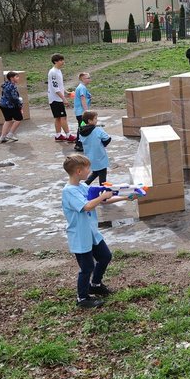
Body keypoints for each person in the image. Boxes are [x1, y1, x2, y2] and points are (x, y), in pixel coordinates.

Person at [61, 153, 127, 309]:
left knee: (105, 256)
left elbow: (103, 201)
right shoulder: (69, 191)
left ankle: (95, 285)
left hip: (91, 233)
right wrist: (102, 195)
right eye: (87, 168)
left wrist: (126, 197)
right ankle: (82, 298)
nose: (89, 171)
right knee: (87, 267)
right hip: (80, 236)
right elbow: (87, 206)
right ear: (78, 171)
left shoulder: (83, 186)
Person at [78, 111, 112, 185]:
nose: (97, 120)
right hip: (100, 157)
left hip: (89, 157)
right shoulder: (97, 130)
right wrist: (103, 144)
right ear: (90, 121)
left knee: (95, 172)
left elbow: (81, 142)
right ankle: (102, 191)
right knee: (102, 176)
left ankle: (85, 185)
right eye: (95, 118)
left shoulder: (81, 132)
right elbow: (107, 138)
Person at [47, 53, 73, 142]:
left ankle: (58, 135)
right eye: (60, 60)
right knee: (63, 117)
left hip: (57, 98)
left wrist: (66, 92)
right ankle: (68, 135)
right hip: (55, 99)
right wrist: (63, 98)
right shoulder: (53, 72)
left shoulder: (58, 71)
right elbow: (55, 88)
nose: (63, 62)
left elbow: (59, 85)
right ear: (55, 61)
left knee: (58, 117)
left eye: (63, 60)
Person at [0, 71, 23, 143]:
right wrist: (20, 104)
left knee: (8, 120)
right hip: (10, 106)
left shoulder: (5, 84)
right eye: (16, 77)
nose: (18, 78)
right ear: (11, 78)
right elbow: (14, 99)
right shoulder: (12, 86)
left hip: (2, 105)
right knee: (19, 119)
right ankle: (10, 134)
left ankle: (2, 137)